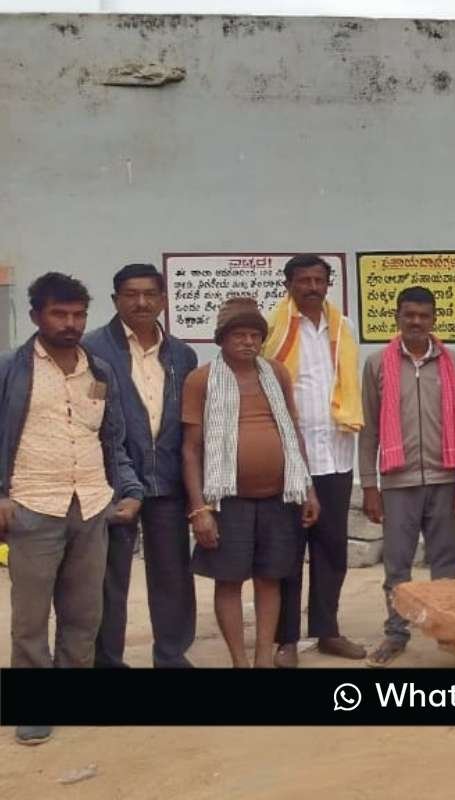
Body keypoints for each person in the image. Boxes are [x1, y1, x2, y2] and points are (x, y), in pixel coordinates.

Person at [1, 272, 142, 745]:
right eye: (59, 314)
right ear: (36, 315)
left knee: (84, 612)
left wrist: (129, 491)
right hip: (32, 503)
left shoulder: (99, 371)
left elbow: (113, 440)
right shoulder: (11, 369)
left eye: (78, 314)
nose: (70, 323)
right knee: (30, 617)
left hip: (92, 504)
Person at [182, 298, 320, 668]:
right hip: (228, 500)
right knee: (228, 580)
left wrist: (308, 489)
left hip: (279, 497)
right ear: (222, 340)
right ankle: (239, 662)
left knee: (270, 578)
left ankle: (262, 658)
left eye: (255, 335)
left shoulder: (276, 373)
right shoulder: (201, 380)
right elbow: (191, 449)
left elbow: (293, 430)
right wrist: (199, 510)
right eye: (239, 335)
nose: (248, 342)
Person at [84, 263, 198, 669]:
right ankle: (107, 661)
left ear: (164, 300)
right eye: (131, 294)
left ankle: (171, 656)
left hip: (168, 480)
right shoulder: (93, 349)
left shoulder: (182, 354)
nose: (141, 302)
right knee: (109, 578)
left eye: (150, 294)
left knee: (173, 576)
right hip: (113, 482)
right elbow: (90, 416)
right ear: (115, 300)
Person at [359, 286, 455, 667]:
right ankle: (396, 632)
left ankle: (449, 631)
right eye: (409, 315)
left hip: (444, 479)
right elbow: (369, 429)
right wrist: (369, 486)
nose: (416, 322)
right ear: (397, 318)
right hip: (398, 482)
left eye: (424, 316)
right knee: (397, 564)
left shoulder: (452, 362)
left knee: (446, 563)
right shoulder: (377, 363)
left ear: (434, 319)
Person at [266, 254, 366, 668]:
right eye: (303, 280)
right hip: (287, 459)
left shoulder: (343, 327)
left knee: (331, 550)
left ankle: (327, 630)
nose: (311, 286)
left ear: (328, 284)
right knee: (287, 553)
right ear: (288, 284)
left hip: (335, 457)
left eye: (318, 280)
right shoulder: (272, 328)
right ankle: (286, 639)